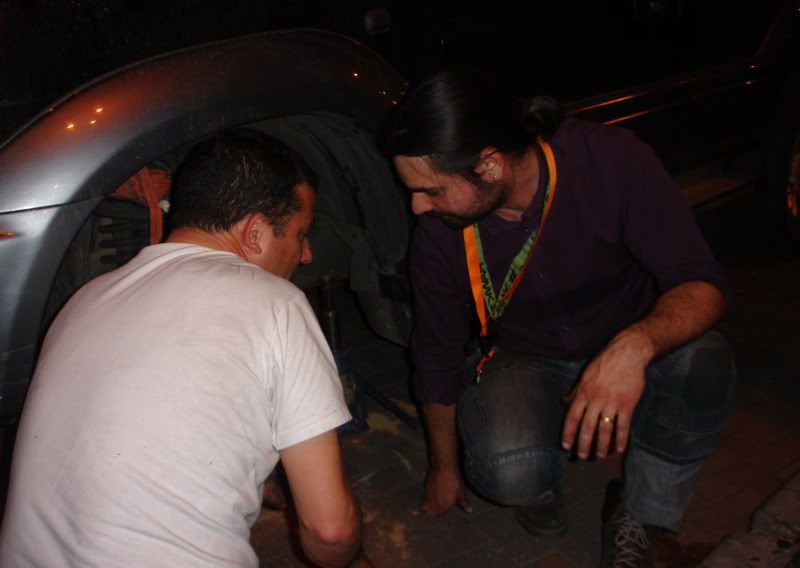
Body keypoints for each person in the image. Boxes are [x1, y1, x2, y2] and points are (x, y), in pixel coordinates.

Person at [385, 72, 736, 567]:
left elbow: (702, 284)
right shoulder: (440, 233)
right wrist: (443, 466)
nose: (418, 207)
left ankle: (642, 514)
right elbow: (435, 351)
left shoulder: (612, 161)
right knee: (507, 471)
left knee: (705, 363)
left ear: (488, 165)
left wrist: (635, 345)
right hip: (524, 356)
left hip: (627, 331)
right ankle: (539, 477)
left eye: (431, 190)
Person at [0, 130, 368, 568]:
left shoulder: (87, 297)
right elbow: (331, 532)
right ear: (255, 232)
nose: (305, 254)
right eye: (300, 233)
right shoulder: (277, 304)